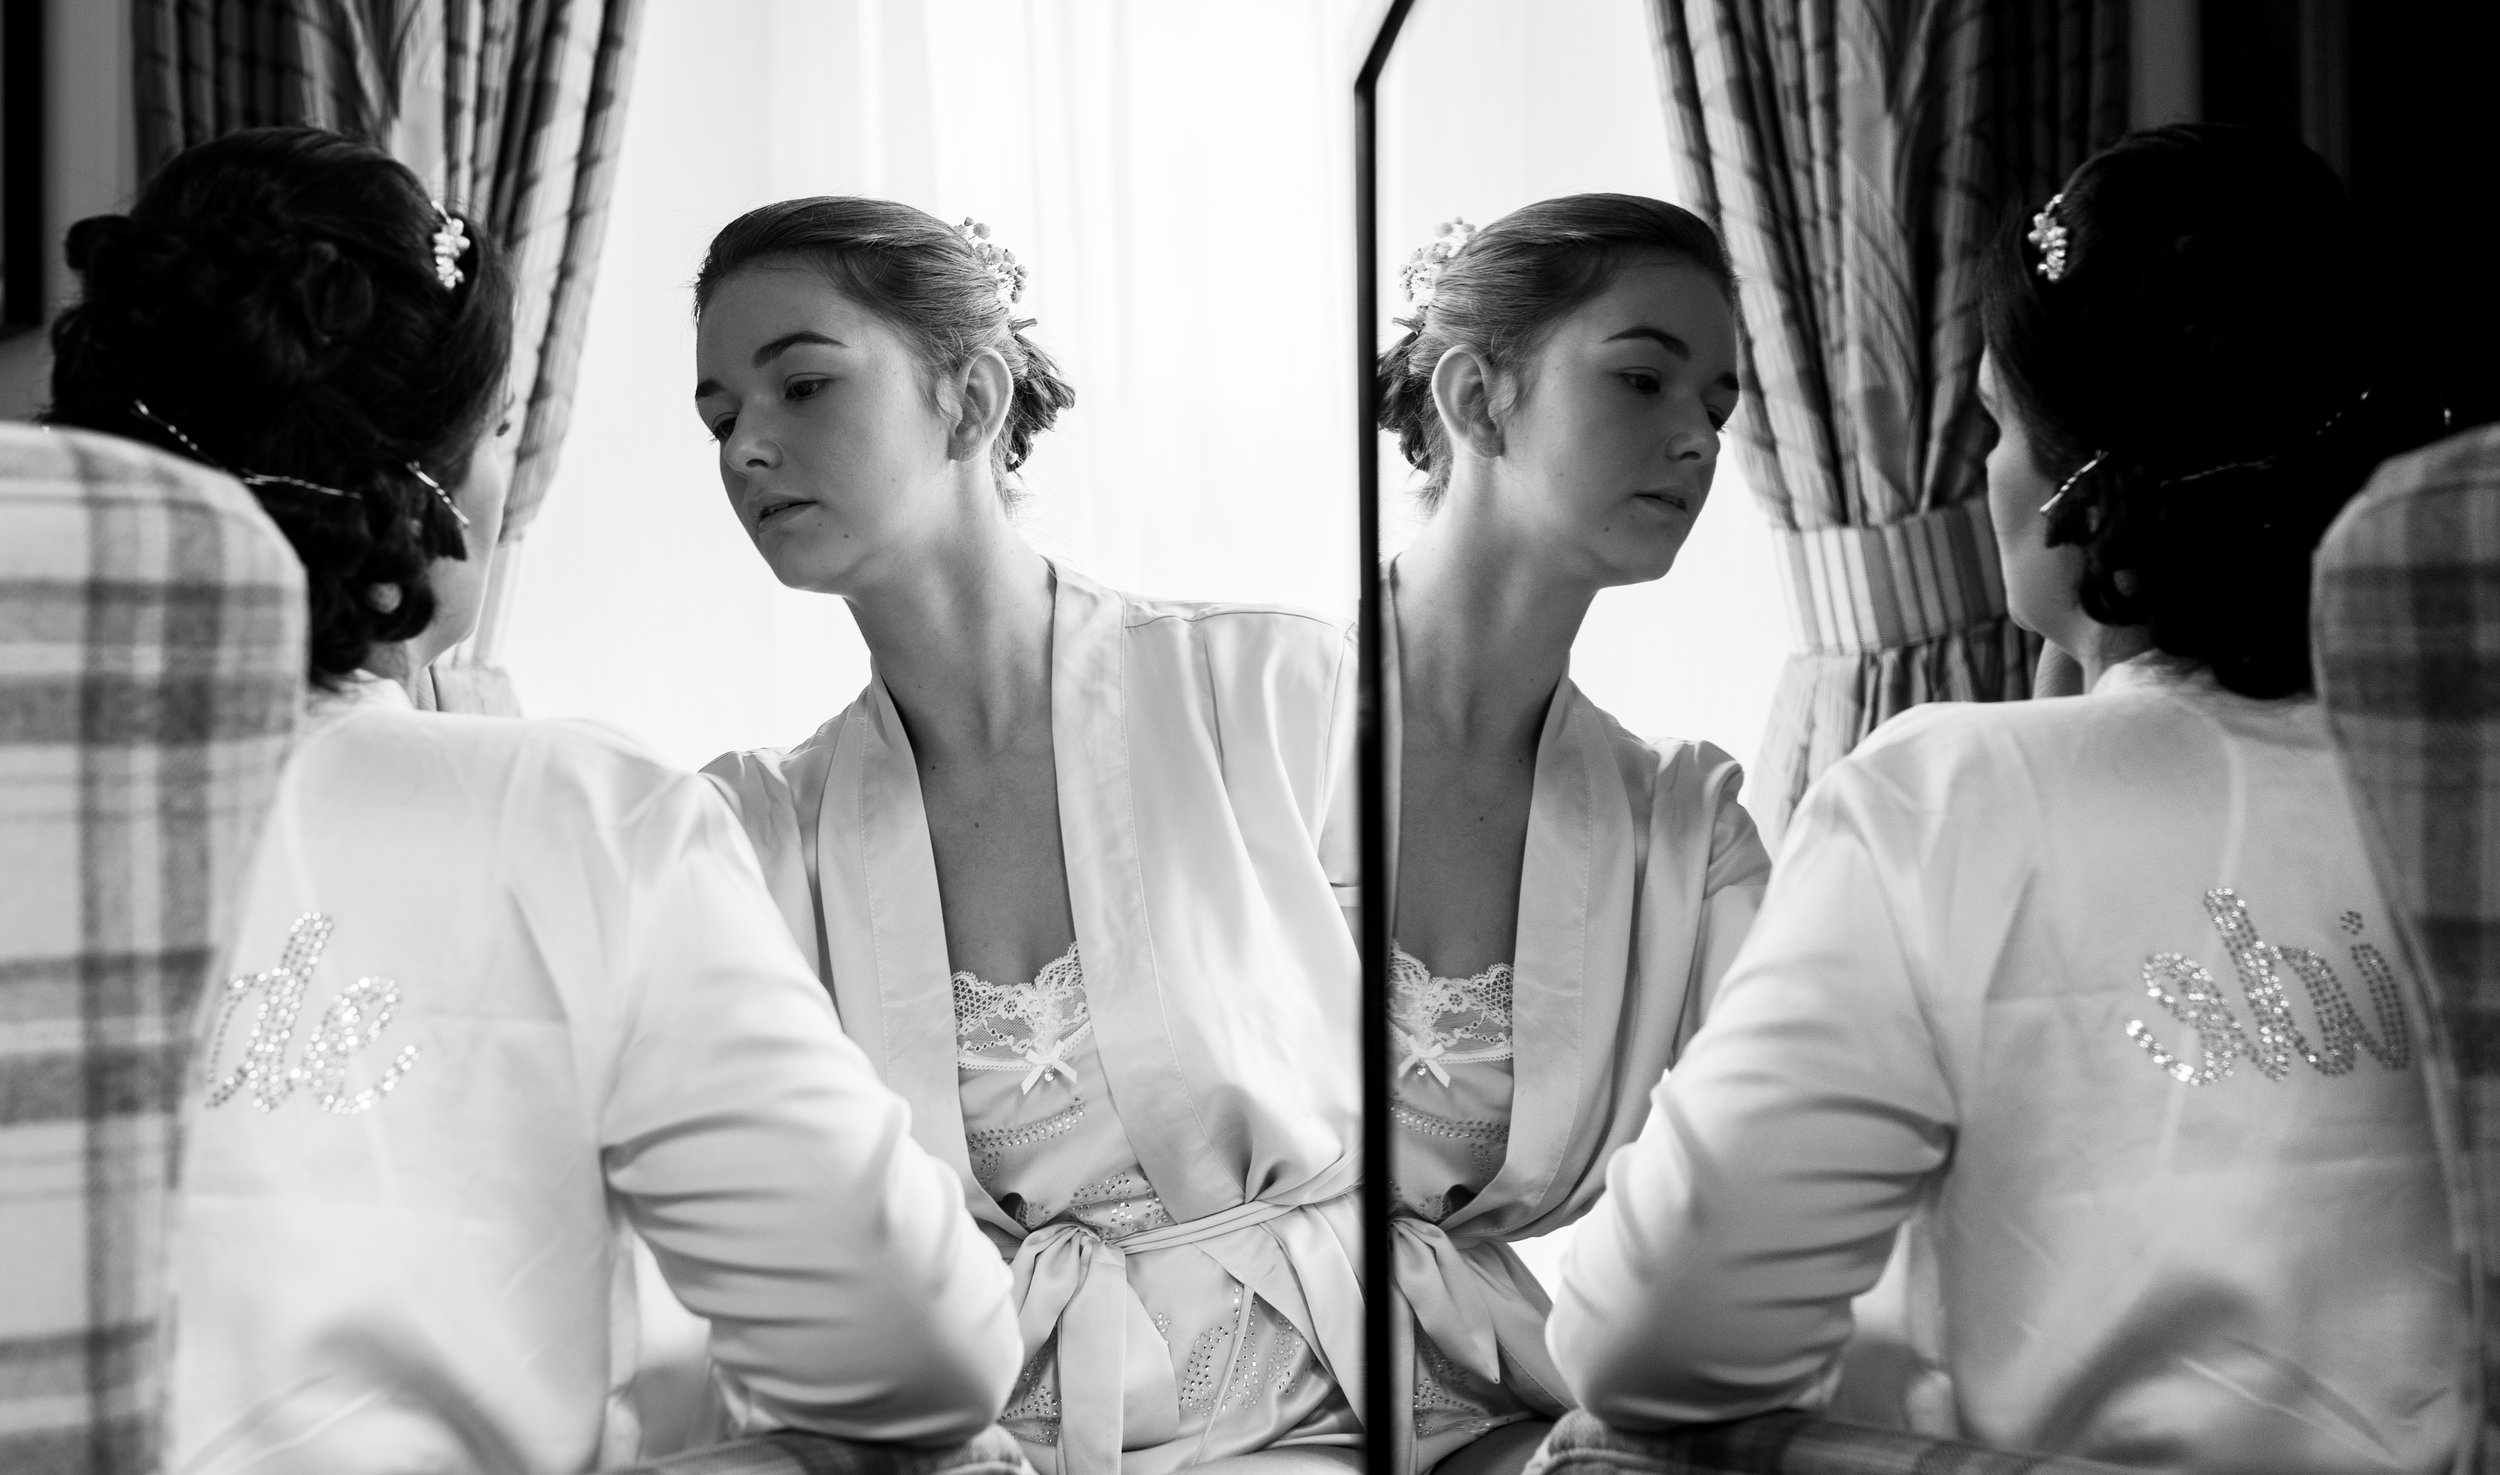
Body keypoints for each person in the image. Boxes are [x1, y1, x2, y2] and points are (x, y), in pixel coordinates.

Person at [45, 127, 1023, 1474]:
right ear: (430, 488)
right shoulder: (581, 814)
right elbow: (920, 1352)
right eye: (504, 425)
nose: (750, 452)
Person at [1547, 124, 2467, 1472]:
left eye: (1990, 423)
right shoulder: (2463, 789)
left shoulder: (1951, 802)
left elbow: (1649, 1338)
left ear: (2079, 487)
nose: (1980, 472)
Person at [694, 199, 1363, 1475]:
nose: (748, 449)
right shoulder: (759, 831)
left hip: (1315, 1412)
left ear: (972, 396)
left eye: (803, 384)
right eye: (721, 416)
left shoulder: (1275, 691)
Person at [1368, 197, 1771, 1475]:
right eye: (1643, 376)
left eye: (1719, 400)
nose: (1697, 436)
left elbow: (1772, 1184)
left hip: (1490, 1417)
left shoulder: (1685, 827)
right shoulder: (1214, 720)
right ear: (1478, 402)